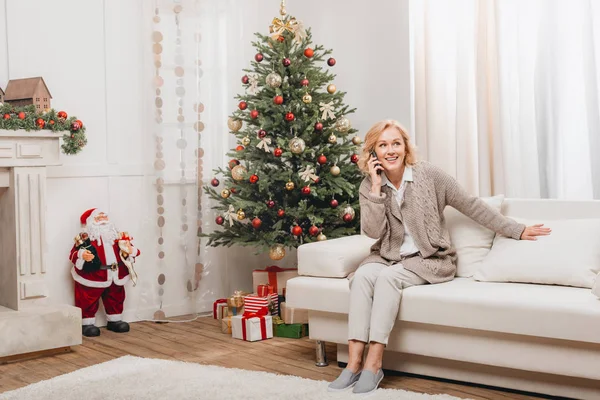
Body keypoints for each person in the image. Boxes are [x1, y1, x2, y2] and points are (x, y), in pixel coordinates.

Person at [327, 120, 551, 394]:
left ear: (405, 146)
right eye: (382, 145)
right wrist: (375, 190)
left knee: (387, 279)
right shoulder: (370, 185)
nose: (390, 150)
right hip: (389, 257)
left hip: (430, 260)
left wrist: (516, 229)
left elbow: (470, 204)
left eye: (396, 143)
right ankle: (352, 365)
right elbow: (373, 233)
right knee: (362, 275)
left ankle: (374, 365)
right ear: (373, 153)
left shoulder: (429, 175)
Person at [69, 208, 141, 337]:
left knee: (116, 297)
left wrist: (130, 250)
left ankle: (114, 320)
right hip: (94, 275)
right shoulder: (85, 239)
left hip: (115, 274)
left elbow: (131, 250)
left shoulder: (116, 236)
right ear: (91, 221)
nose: (102, 220)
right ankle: (87, 323)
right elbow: (73, 254)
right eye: (98, 218)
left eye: (104, 217)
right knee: (88, 299)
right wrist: (82, 254)